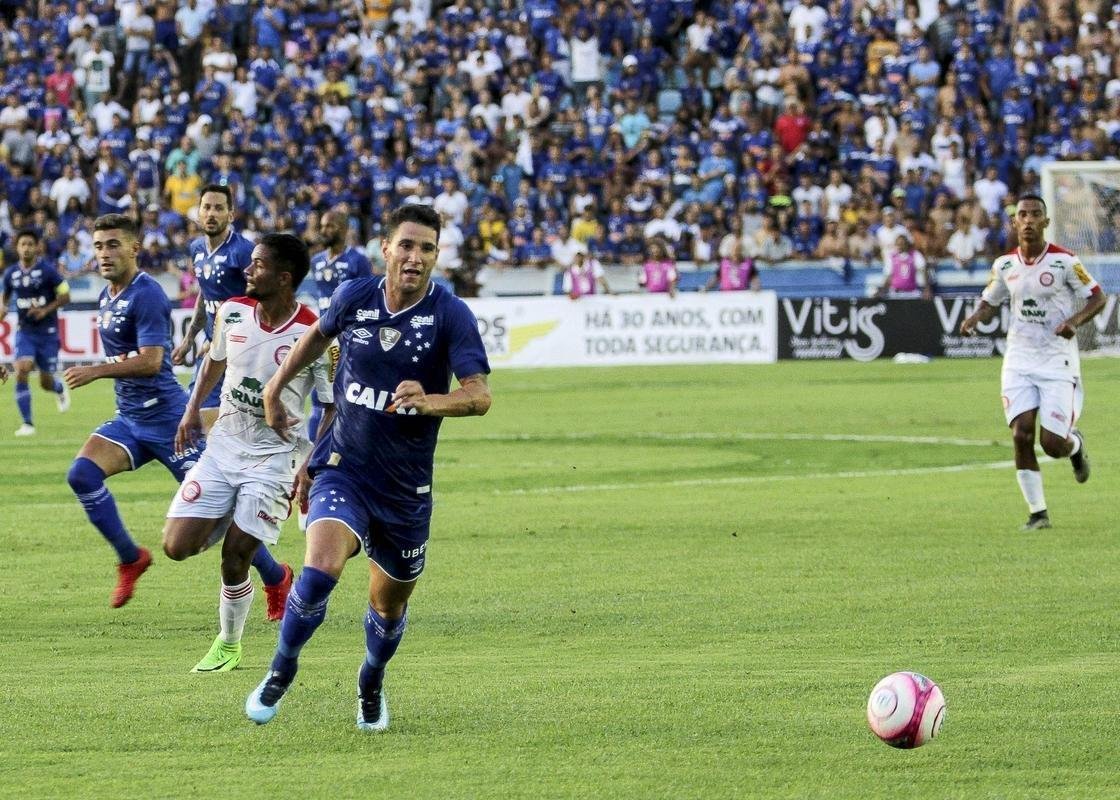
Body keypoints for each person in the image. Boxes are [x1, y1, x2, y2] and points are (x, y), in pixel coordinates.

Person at [245, 204, 492, 731]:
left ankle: (371, 683)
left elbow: (479, 397)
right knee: (319, 572)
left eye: (426, 248)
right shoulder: (355, 296)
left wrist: (431, 401)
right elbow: (317, 337)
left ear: (436, 255)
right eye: (406, 245)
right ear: (385, 249)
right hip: (344, 467)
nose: (415, 257)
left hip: (405, 489)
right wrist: (274, 385)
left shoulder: (451, 316)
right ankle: (280, 670)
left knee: (389, 608)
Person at [163, 233, 335, 673]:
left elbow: (332, 406)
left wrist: (312, 465)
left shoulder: (315, 333)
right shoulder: (231, 311)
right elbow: (214, 362)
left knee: (235, 555)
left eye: (257, 265)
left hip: (275, 459)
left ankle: (228, 642)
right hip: (223, 446)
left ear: (284, 277)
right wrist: (190, 412)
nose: (247, 269)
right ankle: (232, 515)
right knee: (176, 547)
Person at [61, 214, 196, 608]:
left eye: (113, 245)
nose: (104, 253)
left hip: (171, 422)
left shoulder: (147, 293)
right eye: (99, 245)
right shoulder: (108, 296)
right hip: (131, 419)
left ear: (135, 249)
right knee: (82, 474)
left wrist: (96, 370)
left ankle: (276, 577)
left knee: (215, 515)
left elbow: (153, 361)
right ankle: (131, 559)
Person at [171, 184, 293, 618]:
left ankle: (270, 570)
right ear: (198, 211)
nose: (211, 213)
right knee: (193, 450)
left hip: (243, 363)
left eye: (219, 207)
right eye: (206, 206)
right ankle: (274, 573)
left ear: (230, 213)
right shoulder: (198, 250)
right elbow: (207, 297)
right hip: (215, 357)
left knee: (196, 447)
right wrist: (189, 339)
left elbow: (259, 299)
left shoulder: (244, 251)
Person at [960, 195, 1105, 531]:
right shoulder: (1004, 265)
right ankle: (1038, 513)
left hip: (1056, 361)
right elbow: (990, 299)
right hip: (1019, 360)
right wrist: (975, 317)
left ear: (1045, 222)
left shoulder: (1065, 262)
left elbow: (1098, 297)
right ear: (1014, 223)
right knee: (1021, 434)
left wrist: (1075, 322)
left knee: (1052, 445)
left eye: (1034, 215)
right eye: (1022, 215)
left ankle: (1075, 445)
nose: (1027, 220)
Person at [306, 208, 371, 440]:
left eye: (330, 226)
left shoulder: (358, 261)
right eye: (322, 226)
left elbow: (367, 299)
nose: (324, 231)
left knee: (348, 395)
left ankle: (348, 444)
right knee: (319, 396)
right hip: (324, 337)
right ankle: (314, 452)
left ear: (344, 229)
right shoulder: (316, 262)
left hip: (348, 338)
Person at [2, 230, 71, 436]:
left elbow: (66, 295)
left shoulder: (48, 271)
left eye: (30, 244)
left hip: (48, 332)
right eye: (23, 244)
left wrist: (45, 310)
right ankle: (27, 424)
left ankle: (58, 388)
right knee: (22, 368)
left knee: (45, 382)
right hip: (25, 331)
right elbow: (4, 297)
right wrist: (3, 308)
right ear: (17, 247)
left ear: (37, 247)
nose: (26, 248)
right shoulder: (11, 273)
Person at [876, 234, 932, 299]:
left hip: (912, 293)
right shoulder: (891, 257)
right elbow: (888, 276)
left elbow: (924, 271)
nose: (899, 246)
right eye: (898, 244)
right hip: (895, 293)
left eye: (902, 244)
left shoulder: (915, 254)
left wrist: (927, 289)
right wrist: (882, 290)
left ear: (907, 244)